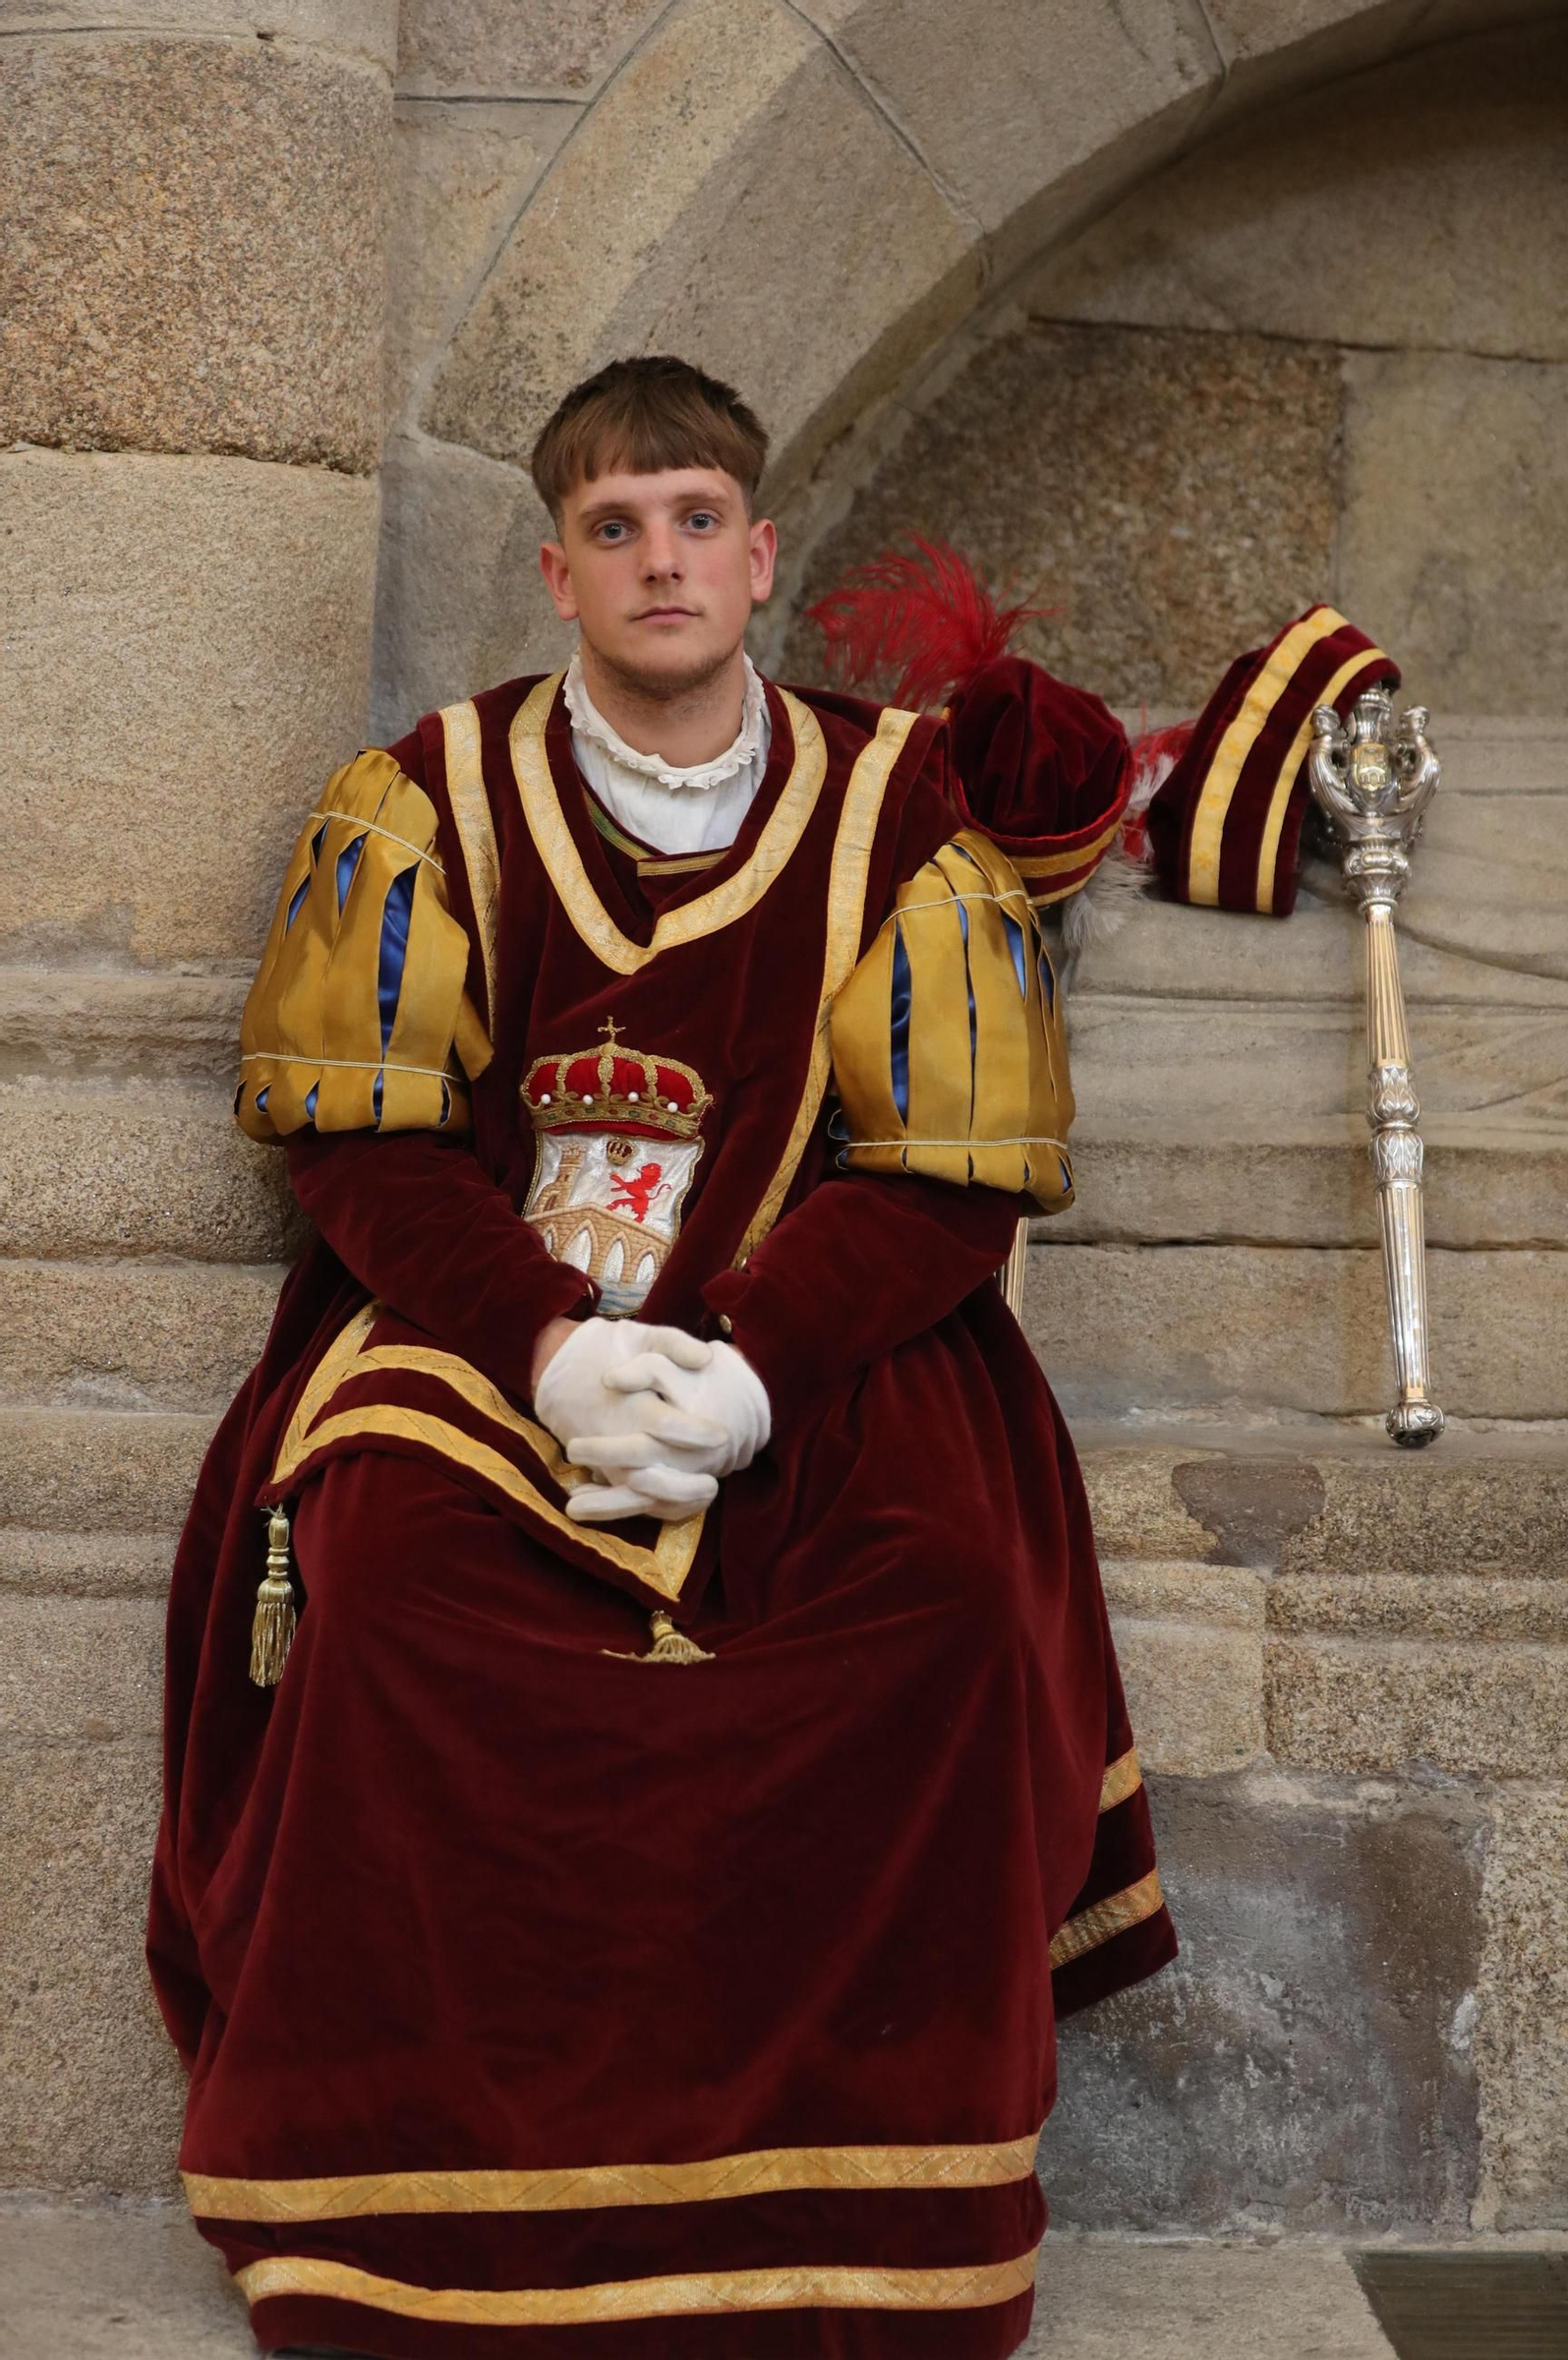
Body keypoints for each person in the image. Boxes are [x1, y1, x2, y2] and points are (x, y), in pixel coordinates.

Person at [148, 354, 1181, 2360]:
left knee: (947, 1604)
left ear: (760, 553)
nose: (660, 561)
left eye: (697, 520)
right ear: (557, 569)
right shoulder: (424, 798)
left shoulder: (898, 814)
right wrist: (544, 1351)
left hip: (816, 1350)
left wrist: (752, 1371)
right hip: (479, 1350)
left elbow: (949, 1179)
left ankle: (862, 2214)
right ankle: (416, 2209)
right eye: (614, 528)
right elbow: (360, 1143)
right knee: (391, 1600)